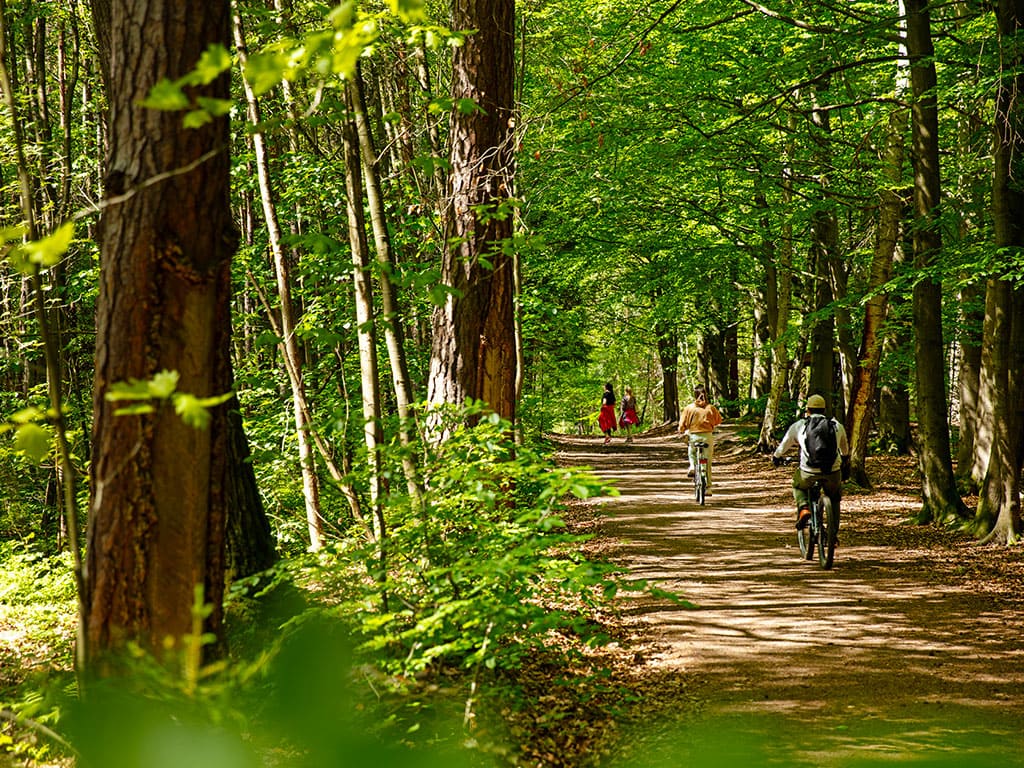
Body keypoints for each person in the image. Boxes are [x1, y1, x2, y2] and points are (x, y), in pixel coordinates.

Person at [772, 393, 850, 529]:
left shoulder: (800, 426)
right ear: (824, 410)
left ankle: (803, 508)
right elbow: (845, 450)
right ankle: (833, 536)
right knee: (835, 499)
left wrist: (776, 457)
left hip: (808, 471)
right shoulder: (837, 426)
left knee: (797, 485)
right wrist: (844, 460)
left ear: (808, 410)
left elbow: (784, 445)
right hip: (832, 471)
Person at [678, 385, 723, 492]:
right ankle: (708, 488)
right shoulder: (711, 408)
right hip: (707, 436)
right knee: (707, 462)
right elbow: (718, 421)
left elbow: (682, 425)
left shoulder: (689, 408)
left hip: (694, 436)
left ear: (695, 395)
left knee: (691, 450)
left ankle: (692, 466)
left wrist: (682, 429)